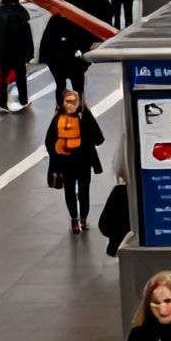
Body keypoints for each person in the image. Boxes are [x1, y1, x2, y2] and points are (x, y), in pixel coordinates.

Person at [45, 88, 104, 233]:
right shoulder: (85, 116)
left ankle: (74, 220)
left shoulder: (57, 118)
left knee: (69, 191)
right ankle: (83, 220)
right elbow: (99, 138)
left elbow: (49, 141)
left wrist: (56, 156)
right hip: (84, 161)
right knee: (84, 191)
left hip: (65, 163)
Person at [0, 0, 33, 112]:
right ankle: (23, 100)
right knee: (21, 78)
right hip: (18, 52)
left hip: (3, 52)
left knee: (3, 78)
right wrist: (29, 53)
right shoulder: (21, 12)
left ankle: (3, 102)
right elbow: (26, 34)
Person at [38, 7, 91, 106]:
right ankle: (80, 106)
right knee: (78, 85)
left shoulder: (54, 21)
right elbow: (85, 39)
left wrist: (44, 59)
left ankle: (60, 106)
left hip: (57, 61)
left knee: (60, 85)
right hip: (73, 60)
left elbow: (46, 42)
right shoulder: (76, 20)